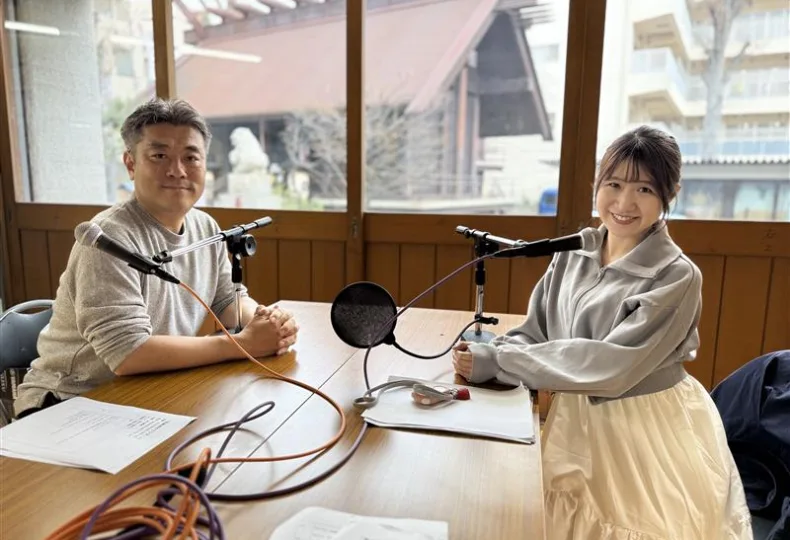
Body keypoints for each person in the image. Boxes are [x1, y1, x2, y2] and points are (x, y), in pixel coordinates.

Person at [452, 126, 752, 539]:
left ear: (671, 193)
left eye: (645, 189)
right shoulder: (574, 252)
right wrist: (488, 352)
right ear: (597, 184)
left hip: (643, 429)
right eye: (614, 184)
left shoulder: (676, 275)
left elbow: (611, 366)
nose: (625, 203)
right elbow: (537, 331)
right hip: (573, 416)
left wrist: (499, 361)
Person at [14, 98, 298, 419]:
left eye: (191, 157)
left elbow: (226, 301)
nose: (177, 171)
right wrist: (245, 343)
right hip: (73, 401)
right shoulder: (107, 238)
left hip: (152, 390)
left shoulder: (205, 226)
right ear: (131, 164)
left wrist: (266, 320)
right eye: (159, 155)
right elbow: (128, 354)